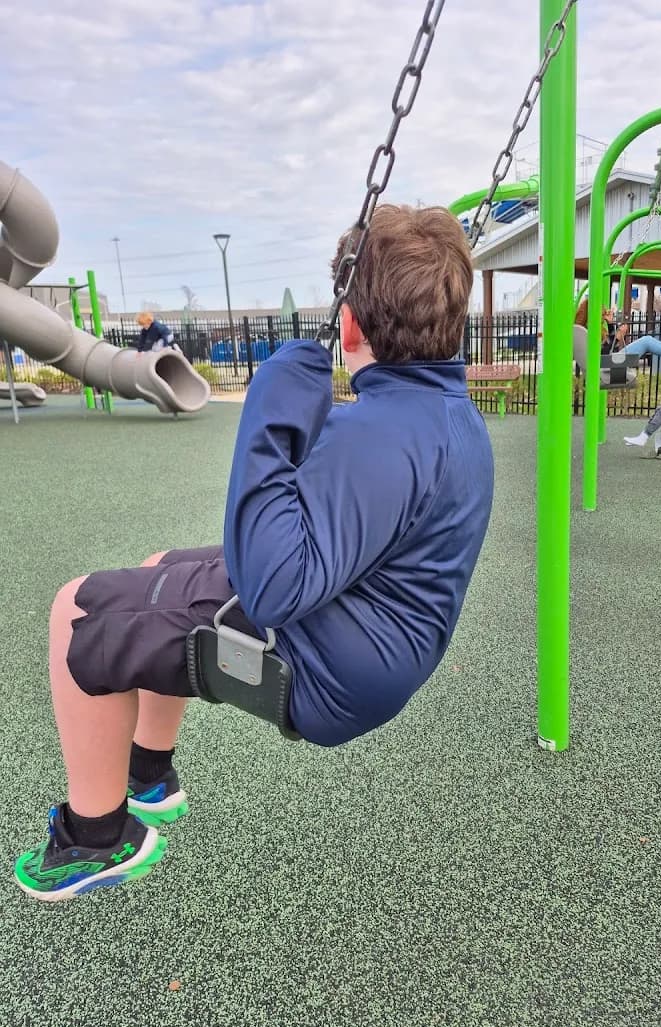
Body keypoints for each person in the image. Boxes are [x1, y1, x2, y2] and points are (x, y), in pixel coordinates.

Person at [14, 205, 495, 901]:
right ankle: (148, 773)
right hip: (372, 632)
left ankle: (95, 836)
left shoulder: (380, 433)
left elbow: (270, 587)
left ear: (348, 324)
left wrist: (268, 410)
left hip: (325, 668)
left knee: (76, 612)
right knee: (157, 568)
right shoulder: (447, 416)